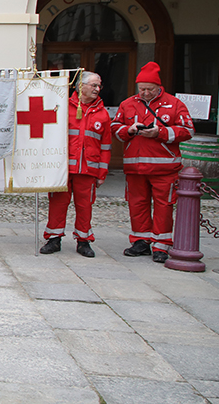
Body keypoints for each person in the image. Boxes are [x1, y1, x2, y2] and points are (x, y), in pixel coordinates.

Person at [113, 61, 194, 263]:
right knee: (137, 204)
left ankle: (162, 245)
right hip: (135, 168)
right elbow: (115, 127)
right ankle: (140, 241)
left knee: (164, 206)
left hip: (164, 168)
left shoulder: (174, 104)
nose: (145, 93)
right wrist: (129, 130)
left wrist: (160, 132)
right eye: (142, 89)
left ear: (158, 87)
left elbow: (188, 131)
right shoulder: (127, 103)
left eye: (149, 89)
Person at [41, 71, 110, 258]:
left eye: (99, 86)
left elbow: (106, 146)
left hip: (88, 169)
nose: (97, 89)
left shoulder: (103, 114)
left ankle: (83, 241)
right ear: (81, 86)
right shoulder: (62, 106)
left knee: (85, 206)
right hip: (63, 169)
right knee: (57, 204)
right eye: (93, 85)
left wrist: (102, 172)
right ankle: (54, 239)